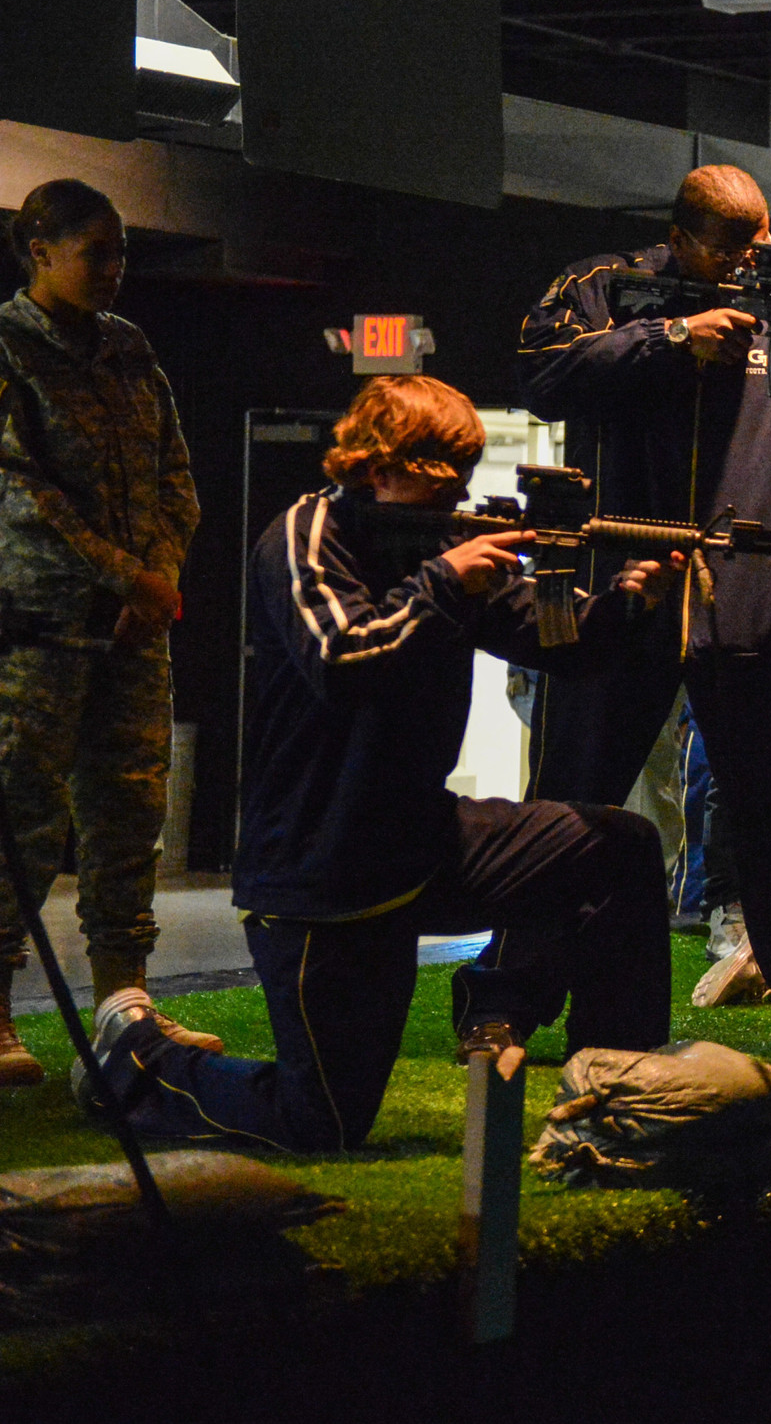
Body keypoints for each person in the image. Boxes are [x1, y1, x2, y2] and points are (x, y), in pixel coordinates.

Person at [74, 377, 675, 1151]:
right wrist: (447, 581)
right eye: (439, 478)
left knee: (616, 848)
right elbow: (344, 659)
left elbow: (558, 644)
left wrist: (630, 600)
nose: (456, 495)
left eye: (462, 477)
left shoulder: (433, 544)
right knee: (318, 1121)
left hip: (422, 839)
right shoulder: (305, 532)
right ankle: (131, 1061)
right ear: (377, 466)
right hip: (320, 869)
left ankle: (622, 1091)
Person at [515, 164, 771, 1053]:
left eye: (759, 243)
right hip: (625, 592)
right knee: (568, 805)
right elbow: (540, 371)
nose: (747, 263)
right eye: (729, 247)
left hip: (761, 601)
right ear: (683, 236)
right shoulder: (607, 289)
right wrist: (670, 337)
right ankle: (507, 997)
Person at [0, 180, 215, 1087]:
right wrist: (128, 574)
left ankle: (124, 1005)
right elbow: (22, 492)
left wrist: (154, 575)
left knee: (129, 817)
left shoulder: (131, 349)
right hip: (39, 630)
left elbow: (175, 473)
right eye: (98, 251)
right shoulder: (9, 349)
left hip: (132, 631)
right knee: (18, 818)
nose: (117, 268)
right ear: (39, 250)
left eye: (123, 251)